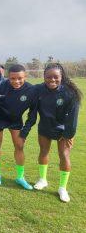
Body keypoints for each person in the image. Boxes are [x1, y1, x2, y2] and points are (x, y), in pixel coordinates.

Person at [33, 63, 82, 202]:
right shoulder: (39, 89)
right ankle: (43, 180)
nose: (52, 80)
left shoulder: (70, 93)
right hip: (45, 127)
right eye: (48, 77)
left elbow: (73, 118)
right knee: (43, 152)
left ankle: (62, 188)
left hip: (63, 130)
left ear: (62, 77)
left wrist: (68, 134)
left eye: (56, 77)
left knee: (64, 155)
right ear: (44, 77)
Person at [0, 64, 37, 189]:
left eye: (20, 78)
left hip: (15, 121)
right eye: (13, 78)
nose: (16, 81)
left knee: (19, 146)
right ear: (8, 77)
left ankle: (20, 177)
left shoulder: (31, 90)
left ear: (25, 76)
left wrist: (24, 133)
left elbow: (32, 116)